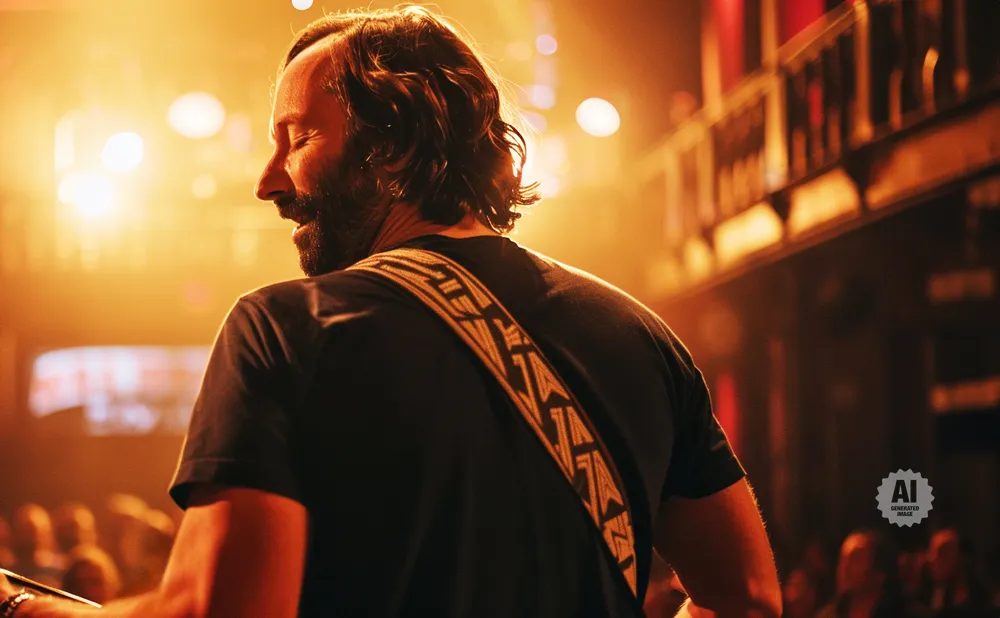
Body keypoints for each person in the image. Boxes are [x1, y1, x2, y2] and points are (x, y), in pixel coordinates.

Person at [0, 6, 780, 617]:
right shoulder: (641, 337)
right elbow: (748, 598)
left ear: (395, 148)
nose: (267, 181)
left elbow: (221, 611)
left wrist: (16, 602)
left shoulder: (285, 330)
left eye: (297, 138)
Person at [817, 529, 914, 618]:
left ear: (880, 573)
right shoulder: (828, 615)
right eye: (842, 559)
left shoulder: (907, 614)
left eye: (855, 558)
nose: (844, 567)